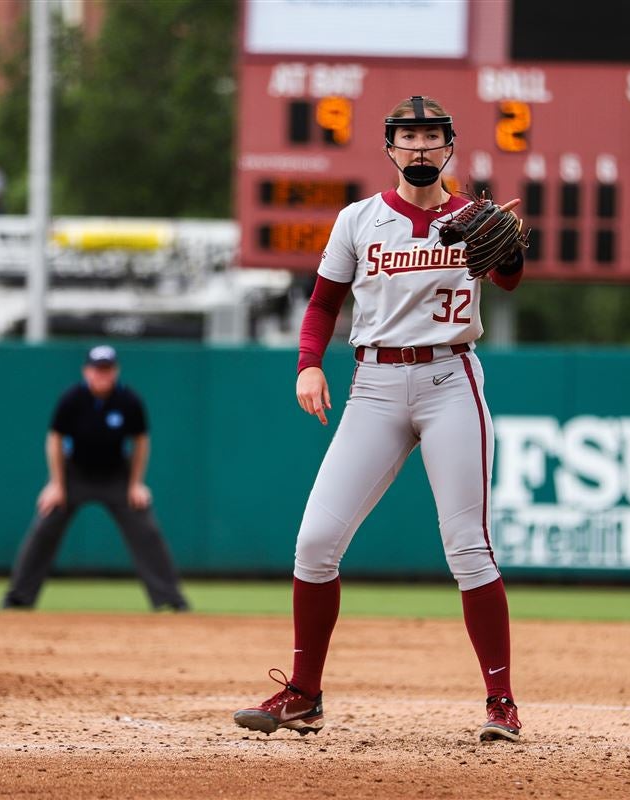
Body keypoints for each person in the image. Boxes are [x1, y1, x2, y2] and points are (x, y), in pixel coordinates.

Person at [233, 96, 526, 743]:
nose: (419, 147)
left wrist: (505, 253)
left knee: (468, 547)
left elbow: (507, 280)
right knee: (314, 543)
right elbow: (321, 305)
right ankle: (303, 694)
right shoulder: (358, 220)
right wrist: (310, 363)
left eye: (430, 136)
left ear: (449, 147)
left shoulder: (473, 217)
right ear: (389, 148)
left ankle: (500, 702)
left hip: (450, 379)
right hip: (375, 383)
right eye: (408, 136)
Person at [1, 345, 190, 612]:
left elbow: (141, 441)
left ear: (115, 371)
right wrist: (56, 484)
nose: (102, 374)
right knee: (44, 527)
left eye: (107, 369)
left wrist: (136, 483)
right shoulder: (72, 398)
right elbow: (55, 439)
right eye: (97, 369)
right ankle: (18, 597)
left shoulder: (129, 400)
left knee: (147, 530)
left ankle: (171, 598)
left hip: (116, 476)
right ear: (86, 371)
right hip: (75, 473)